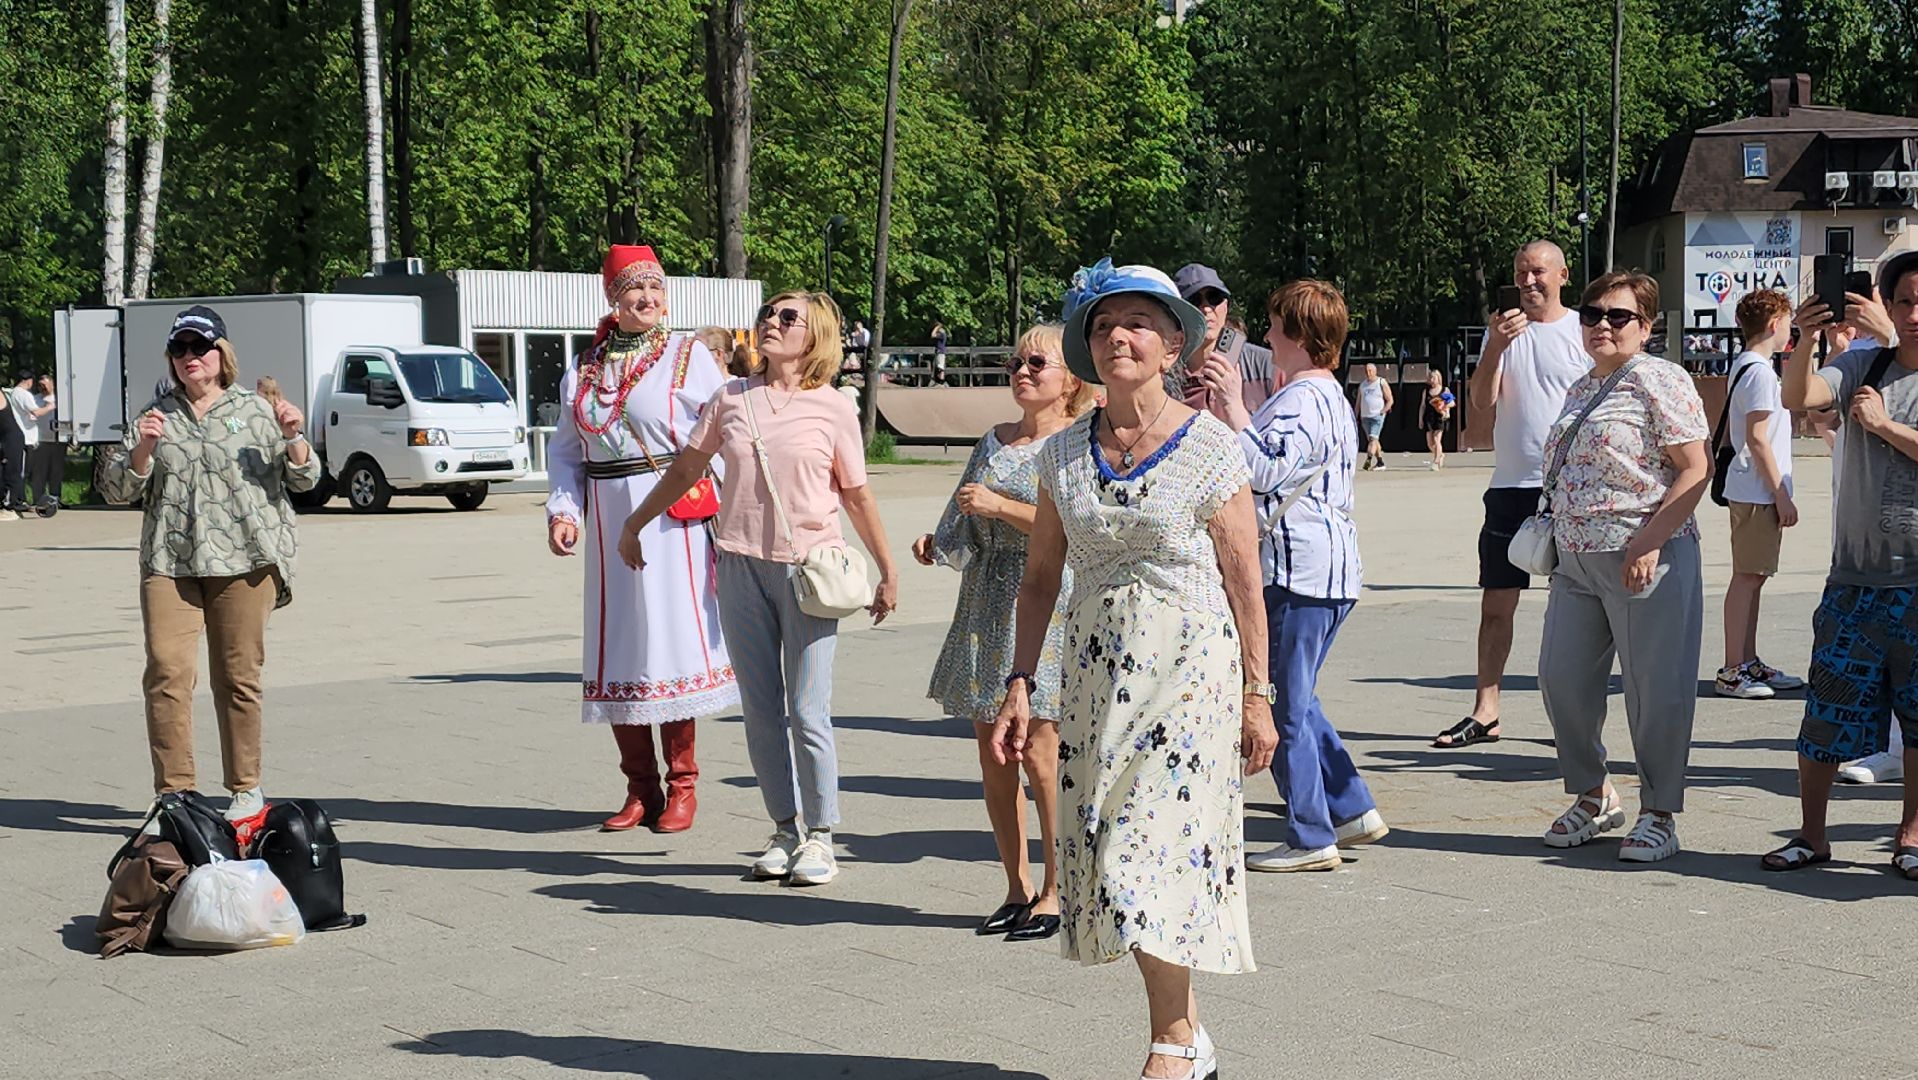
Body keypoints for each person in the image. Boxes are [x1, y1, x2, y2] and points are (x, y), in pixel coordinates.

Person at [991, 260, 1274, 1080]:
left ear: (1173, 342)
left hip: (1190, 675)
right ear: (1089, 342)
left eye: (1142, 322)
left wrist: (1260, 694)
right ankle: (1189, 1038)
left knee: (1148, 852)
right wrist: (1019, 679)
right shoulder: (1065, 454)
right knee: (1112, 846)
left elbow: (1245, 580)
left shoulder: (1213, 446)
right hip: (1092, 676)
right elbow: (1042, 576)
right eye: (1107, 322)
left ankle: (1175, 1040)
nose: (1123, 334)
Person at [619, 289, 900, 887]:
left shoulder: (832, 408)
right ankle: (783, 829)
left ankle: (822, 837)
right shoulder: (730, 398)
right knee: (761, 713)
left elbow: (856, 493)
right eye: (767, 314)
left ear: (814, 335)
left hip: (807, 570)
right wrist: (636, 521)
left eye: (787, 317)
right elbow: (687, 470)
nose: (771, 323)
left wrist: (886, 567)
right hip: (739, 566)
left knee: (807, 710)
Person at [99, 306, 319, 825]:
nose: (190, 358)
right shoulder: (155, 415)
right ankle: (174, 794)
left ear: (223, 354)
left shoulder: (258, 409)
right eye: (180, 349)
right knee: (167, 674)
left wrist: (294, 437)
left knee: (237, 676)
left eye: (200, 347)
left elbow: (306, 481)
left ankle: (245, 788)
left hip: (245, 560)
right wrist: (142, 451)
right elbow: (114, 489)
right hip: (170, 562)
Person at [544, 246, 738, 834]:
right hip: (607, 518)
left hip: (672, 515)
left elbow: (726, 432)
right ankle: (640, 788)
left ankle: (683, 785)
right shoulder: (583, 369)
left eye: (655, 289)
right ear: (613, 299)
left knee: (671, 644)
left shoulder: (688, 355)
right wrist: (564, 510)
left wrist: (728, 509)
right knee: (621, 646)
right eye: (635, 290)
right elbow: (565, 451)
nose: (648, 299)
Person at [913, 322, 1091, 941]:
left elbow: (1073, 524)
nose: (1022, 371)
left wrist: (1000, 509)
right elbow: (965, 505)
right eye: (1016, 361)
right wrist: (940, 542)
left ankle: (1057, 888)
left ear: (1069, 376)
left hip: (1046, 601)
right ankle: (1016, 887)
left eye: (1037, 363)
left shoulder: (1075, 442)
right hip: (986, 602)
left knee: (1042, 754)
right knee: (994, 757)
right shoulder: (994, 438)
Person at [1201, 279, 1385, 872]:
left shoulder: (1305, 397)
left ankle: (1312, 835)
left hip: (1298, 569)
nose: (1267, 332)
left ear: (1300, 336)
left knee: (1278, 704)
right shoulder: (1321, 392)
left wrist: (1232, 407)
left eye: (1277, 324)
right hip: (1321, 569)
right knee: (1297, 699)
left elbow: (1263, 470)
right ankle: (1350, 808)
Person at [1535, 272, 1710, 863]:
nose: (1602, 325)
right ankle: (1594, 793)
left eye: (1618, 316)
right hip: (1576, 560)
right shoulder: (1582, 387)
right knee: (1562, 680)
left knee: (1656, 690)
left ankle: (1659, 811)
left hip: (1646, 556)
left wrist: (1649, 542)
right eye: (1591, 315)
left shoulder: (1661, 379)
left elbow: (1694, 469)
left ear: (1648, 325)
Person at [1762, 252, 1918, 875]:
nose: (1913, 313)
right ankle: (1811, 834)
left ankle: (1910, 836)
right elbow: (1798, 396)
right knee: (1826, 712)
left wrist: (1883, 427)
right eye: (1903, 300)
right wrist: (1802, 340)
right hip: (1855, 578)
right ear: (1885, 303)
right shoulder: (1863, 364)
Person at [1435, 241, 1591, 749]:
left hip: (1571, 488)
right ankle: (1486, 711)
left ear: (1563, 275)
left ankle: (1577, 717)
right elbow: (1481, 402)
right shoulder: (1501, 332)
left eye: (1538, 272)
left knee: (1578, 607)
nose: (1528, 281)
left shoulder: (1584, 332)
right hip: (1511, 484)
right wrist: (1497, 346)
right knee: (1497, 602)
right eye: (1521, 272)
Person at [1716, 290, 1805, 700]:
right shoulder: (1760, 374)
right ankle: (1733, 669)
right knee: (1747, 578)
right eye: (1787, 322)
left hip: (1755, 487)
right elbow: (1757, 438)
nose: (1790, 330)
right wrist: (1780, 493)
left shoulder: (1750, 368)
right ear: (1774, 325)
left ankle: (1747, 662)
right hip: (1757, 489)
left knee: (1754, 577)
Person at [1172, 263, 1277, 422]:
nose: (1206, 309)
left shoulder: (1266, 365)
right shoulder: (1166, 377)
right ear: (1177, 313)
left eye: (1214, 298)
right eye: (1194, 301)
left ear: (1226, 307)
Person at [3, 370, 50, 519]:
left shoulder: (13, 394)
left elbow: (32, 413)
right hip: (22, 437)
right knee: (19, 472)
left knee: (17, 471)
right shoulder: (22, 394)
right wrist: (51, 405)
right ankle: (17, 501)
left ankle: (14, 503)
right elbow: (37, 412)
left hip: (15, 437)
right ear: (29, 381)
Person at [26, 373, 62, 515]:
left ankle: (55, 499)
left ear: (52, 384)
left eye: (46, 384)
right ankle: (38, 500)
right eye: (41, 385)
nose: (43, 387)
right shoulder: (35, 400)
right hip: (40, 441)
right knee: (39, 472)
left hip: (57, 440)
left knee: (56, 471)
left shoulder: (59, 400)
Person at [1355, 362, 1393, 470]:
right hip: (1365, 417)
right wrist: (1355, 416)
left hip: (1377, 416)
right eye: (1366, 371)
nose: (1368, 373)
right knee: (1374, 441)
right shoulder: (1363, 385)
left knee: (1373, 438)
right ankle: (1380, 462)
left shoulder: (1381, 382)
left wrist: (1383, 411)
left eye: (1370, 371)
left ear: (1375, 371)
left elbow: (1390, 399)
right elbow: (1358, 402)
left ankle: (1368, 460)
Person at [1420, 368, 1453, 469]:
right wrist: (1420, 419)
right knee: (1430, 443)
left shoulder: (1444, 390)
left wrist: (1444, 407)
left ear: (1438, 378)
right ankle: (1440, 454)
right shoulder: (1426, 391)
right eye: (1431, 377)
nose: (1432, 379)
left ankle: (1436, 462)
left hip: (1440, 416)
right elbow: (1422, 406)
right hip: (1429, 417)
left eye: (1434, 377)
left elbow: (1451, 402)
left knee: (1436, 439)